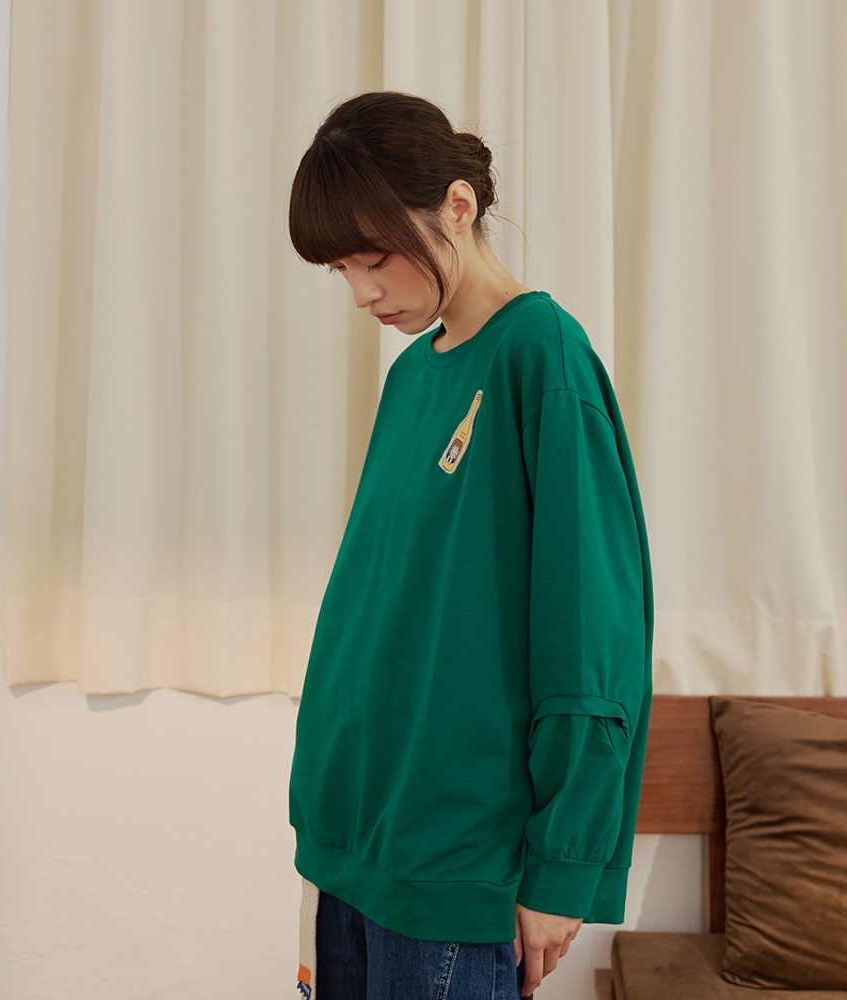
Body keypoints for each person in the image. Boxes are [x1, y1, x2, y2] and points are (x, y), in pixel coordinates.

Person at [286, 91, 653, 1000]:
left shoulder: (542, 353)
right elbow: (382, 606)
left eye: (376, 257)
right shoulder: (413, 377)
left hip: (454, 867)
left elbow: (591, 626)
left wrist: (563, 863)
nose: (364, 292)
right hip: (351, 851)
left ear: (457, 206)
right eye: (342, 270)